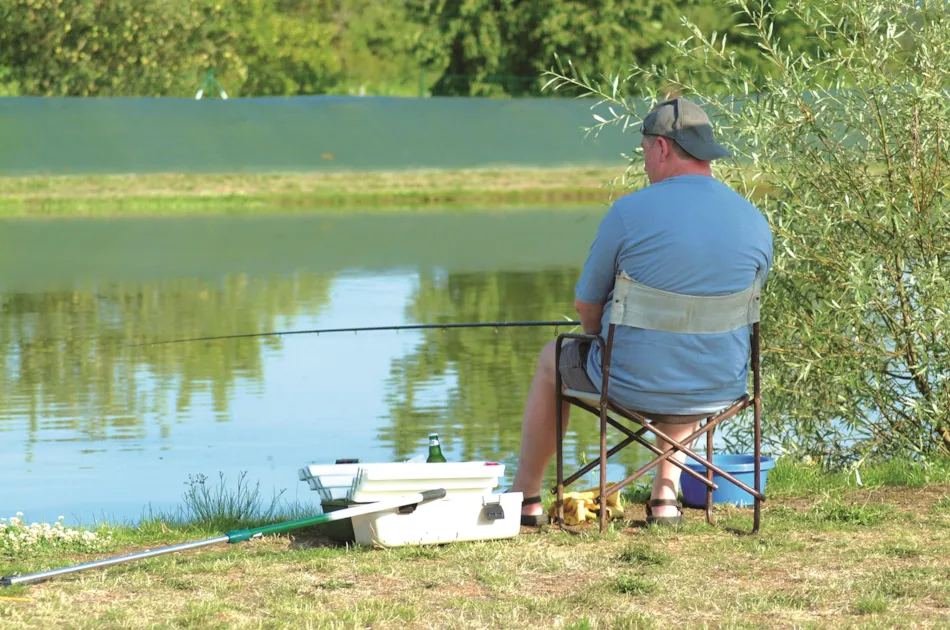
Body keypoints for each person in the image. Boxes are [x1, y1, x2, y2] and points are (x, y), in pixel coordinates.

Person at [510, 97, 773, 526]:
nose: (645, 162)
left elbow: (586, 305)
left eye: (645, 150)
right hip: (721, 384)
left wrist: (595, 337)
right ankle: (664, 501)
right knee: (686, 355)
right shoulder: (754, 219)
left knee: (551, 360)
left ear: (663, 148)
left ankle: (526, 498)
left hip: (630, 383)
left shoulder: (629, 212)